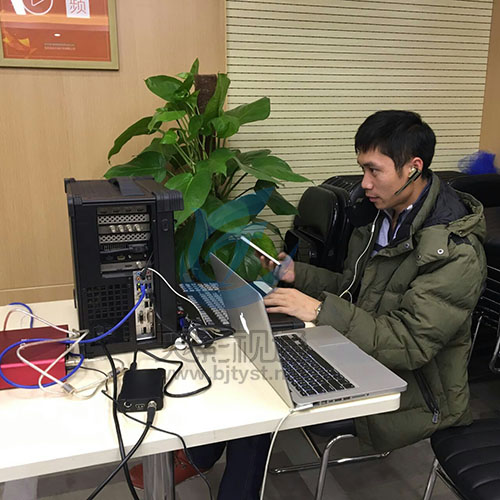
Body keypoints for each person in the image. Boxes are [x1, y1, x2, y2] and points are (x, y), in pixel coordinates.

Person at [133, 110, 487, 496]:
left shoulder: (455, 253)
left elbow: (408, 344)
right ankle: (200, 456)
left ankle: (209, 467)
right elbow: (353, 287)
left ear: (413, 168)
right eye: (362, 169)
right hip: (364, 349)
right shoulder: (382, 218)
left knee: (264, 398)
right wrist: (295, 273)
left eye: (374, 170)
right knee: (250, 360)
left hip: (415, 388)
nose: (364, 183)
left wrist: (318, 310)